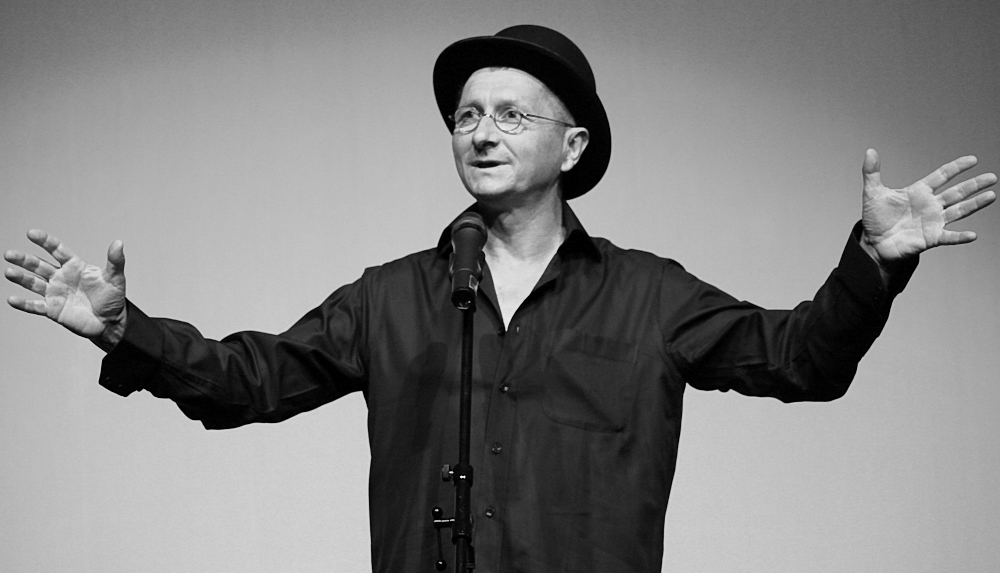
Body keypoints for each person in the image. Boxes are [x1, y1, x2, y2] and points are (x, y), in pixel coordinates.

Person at [3, 25, 996, 573]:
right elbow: (245, 380)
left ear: (572, 146)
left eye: (511, 115)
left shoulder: (651, 295)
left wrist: (875, 262)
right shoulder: (389, 297)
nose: (480, 132)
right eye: (464, 115)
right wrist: (124, 330)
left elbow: (802, 359)